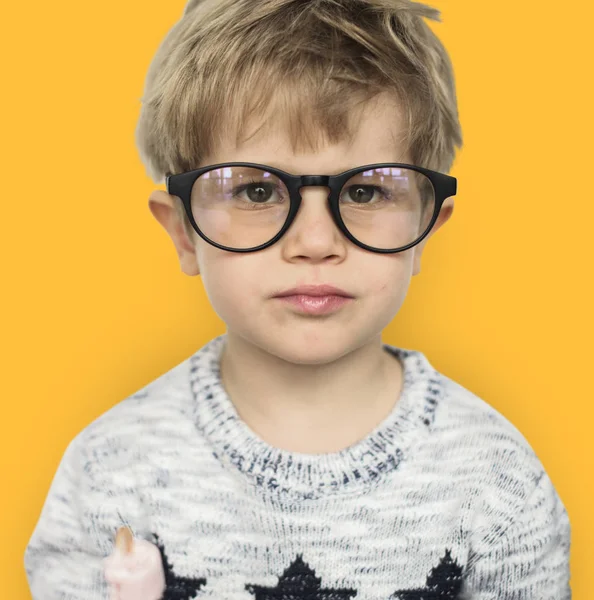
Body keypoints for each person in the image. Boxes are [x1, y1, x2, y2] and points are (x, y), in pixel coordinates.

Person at [24, 0, 572, 598]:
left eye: (366, 190)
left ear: (427, 230)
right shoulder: (109, 471)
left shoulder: (497, 480)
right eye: (257, 191)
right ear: (183, 233)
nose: (315, 242)